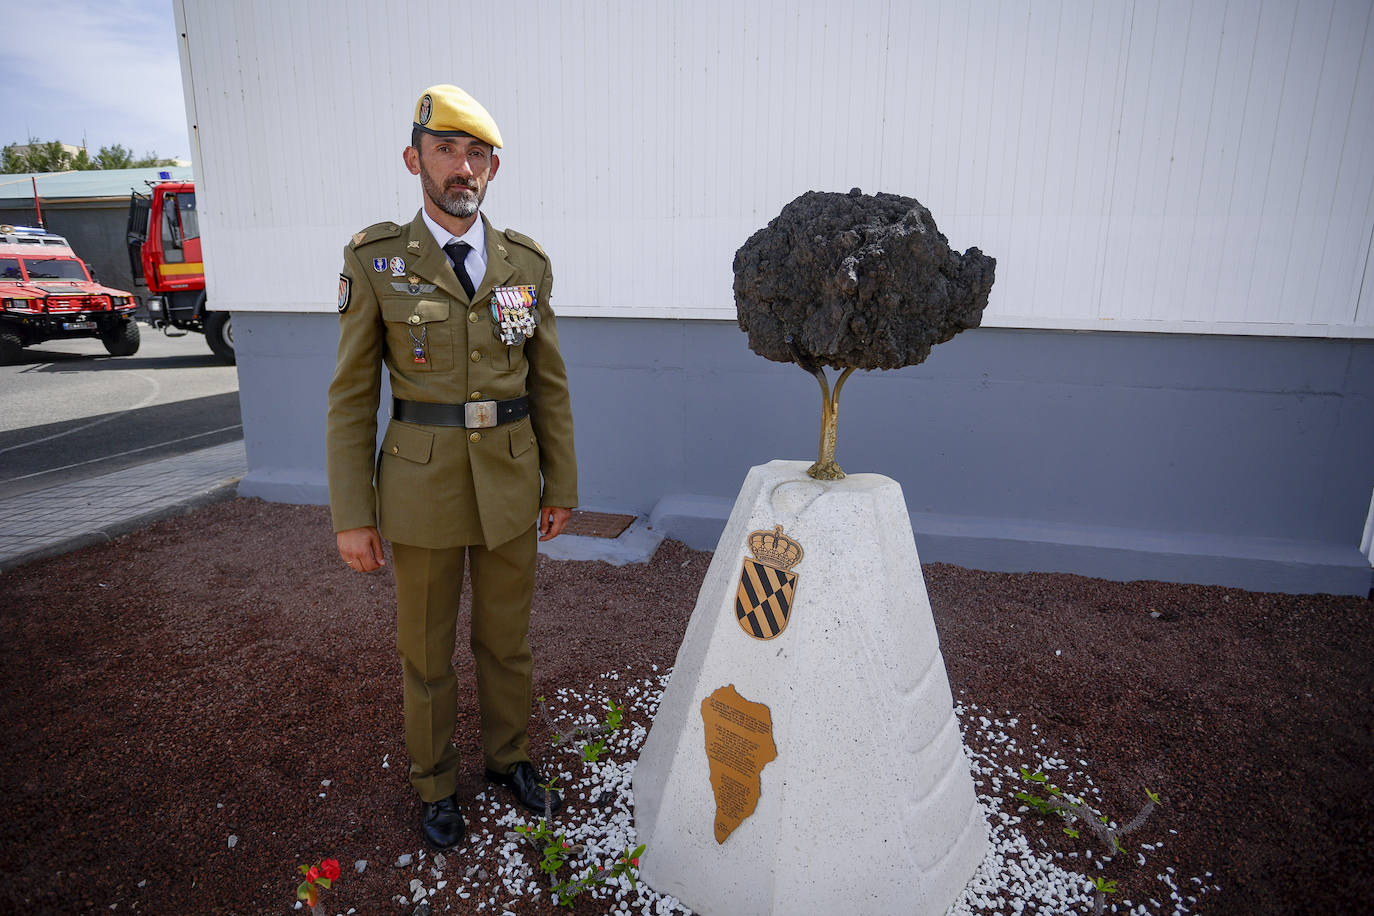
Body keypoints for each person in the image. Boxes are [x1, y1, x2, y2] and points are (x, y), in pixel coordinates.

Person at [326, 84, 577, 850]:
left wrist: (561, 484)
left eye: (476, 153)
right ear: (415, 160)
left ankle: (508, 759)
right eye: (445, 149)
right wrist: (353, 516)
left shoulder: (524, 262)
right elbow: (351, 397)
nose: (461, 166)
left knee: (507, 640)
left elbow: (549, 383)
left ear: (492, 168)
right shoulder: (378, 262)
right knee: (426, 651)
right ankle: (435, 784)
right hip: (421, 487)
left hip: (508, 480)